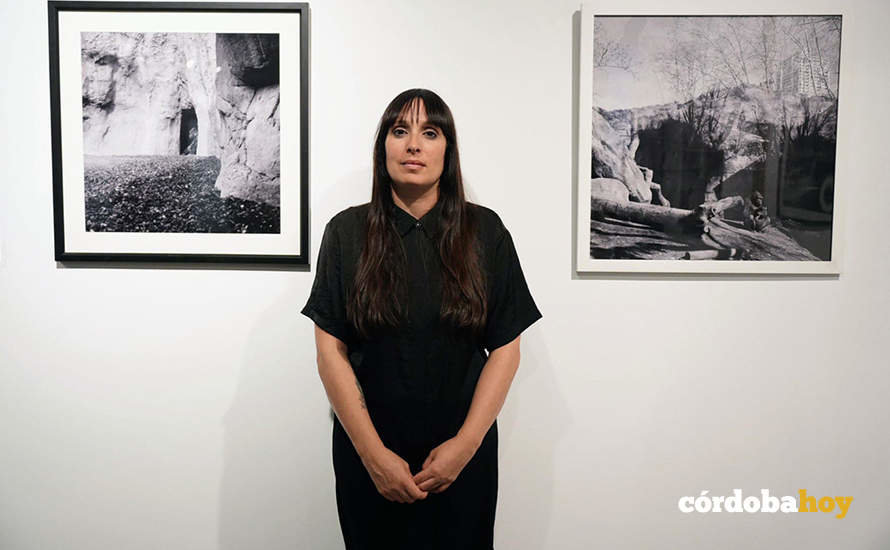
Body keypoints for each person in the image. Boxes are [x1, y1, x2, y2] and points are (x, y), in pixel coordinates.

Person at [301, 88, 542, 549]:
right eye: (400, 131)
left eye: (430, 132)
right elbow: (329, 350)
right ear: (383, 147)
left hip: (460, 463)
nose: (414, 145)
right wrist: (374, 457)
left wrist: (464, 447)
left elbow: (506, 348)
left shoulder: (485, 232)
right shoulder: (346, 233)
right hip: (369, 462)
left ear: (447, 150)